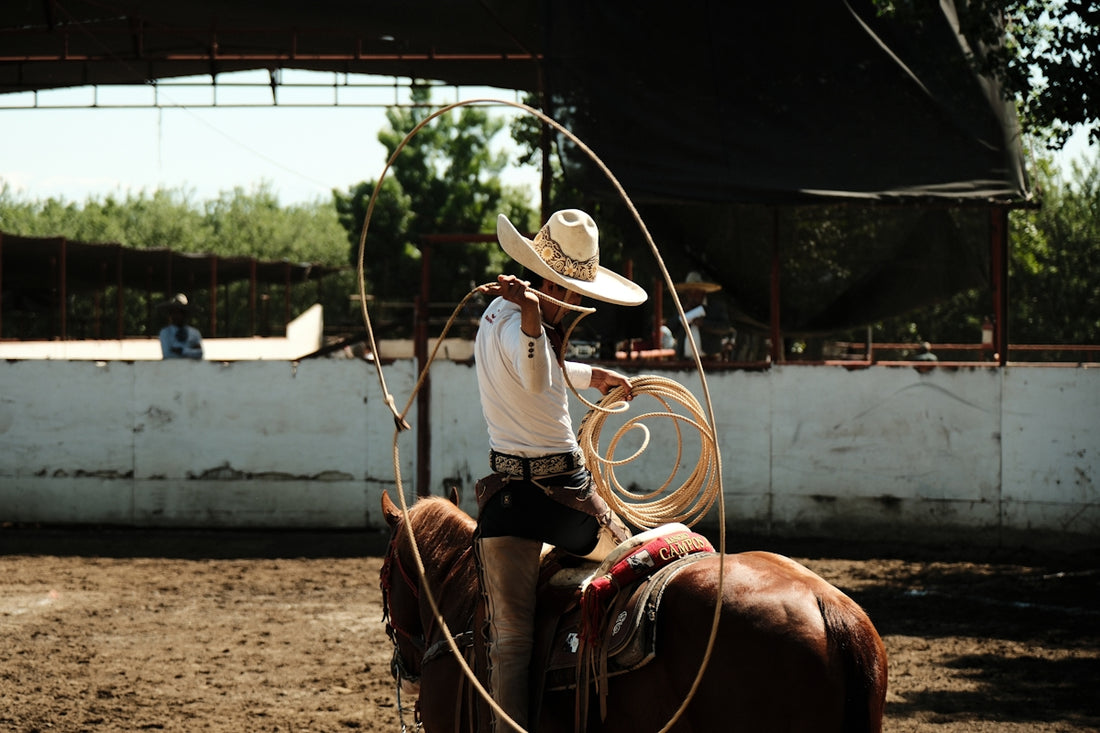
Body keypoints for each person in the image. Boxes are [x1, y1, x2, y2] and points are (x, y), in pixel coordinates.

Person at [472, 208, 644, 732]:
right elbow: (532, 374)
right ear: (556, 285)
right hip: (567, 501)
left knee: (510, 641)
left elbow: (540, 372)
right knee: (644, 563)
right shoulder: (525, 323)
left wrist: (594, 375)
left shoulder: (492, 318)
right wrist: (531, 316)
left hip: (506, 503)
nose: (574, 302)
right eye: (572, 290)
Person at [672, 271, 736, 359]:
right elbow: (671, 327)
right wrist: (682, 313)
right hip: (685, 361)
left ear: (703, 292)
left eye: (695, 292)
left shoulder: (714, 307)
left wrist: (704, 323)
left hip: (710, 360)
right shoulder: (682, 307)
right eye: (689, 293)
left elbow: (725, 327)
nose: (692, 296)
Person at [158, 293, 204, 359]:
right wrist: (191, 350)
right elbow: (167, 354)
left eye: (180, 312)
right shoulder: (165, 332)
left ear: (185, 314)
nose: (176, 316)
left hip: (191, 368)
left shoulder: (194, 333)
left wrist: (182, 350)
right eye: (174, 312)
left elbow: (199, 353)